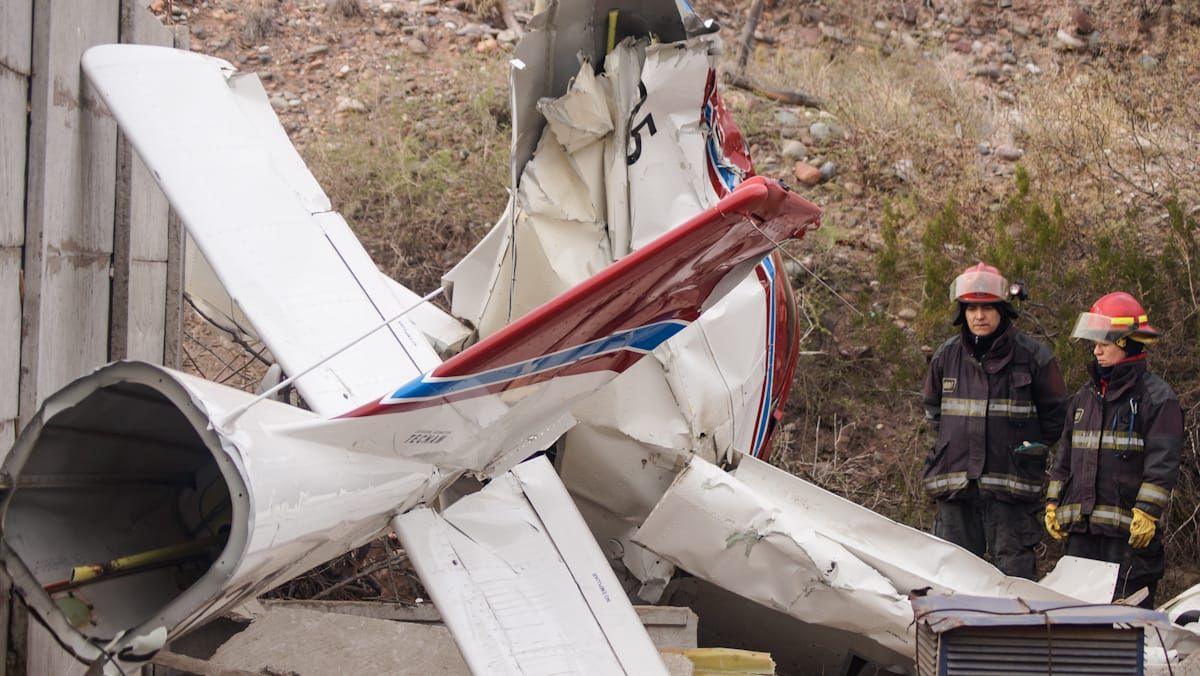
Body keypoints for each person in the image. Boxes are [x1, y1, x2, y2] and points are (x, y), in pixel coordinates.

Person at [921, 262, 1069, 578]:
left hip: (1011, 488)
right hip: (956, 486)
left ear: (1003, 310)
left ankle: (1014, 630)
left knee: (1013, 576)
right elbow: (933, 411)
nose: (979, 316)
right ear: (962, 312)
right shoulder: (946, 357)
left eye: (987, 308)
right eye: (972, 308)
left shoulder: (1034, 357)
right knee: (954, 577)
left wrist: (1028, 450)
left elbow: (1057, 416)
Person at [1044, 291, 1182, 607]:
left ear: (1125, 343)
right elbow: (1065, 458)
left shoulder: (1157, 399)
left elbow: (1163, 463)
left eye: (1103, 344)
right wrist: (1053, 503)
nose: (1096, 351)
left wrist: (1147, 512)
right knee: (1076, 622)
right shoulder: (1084, 398)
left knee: (1126, 625)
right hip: (1082, 536)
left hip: (1128, 540)